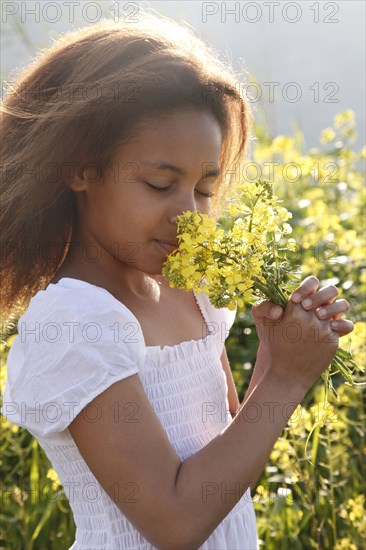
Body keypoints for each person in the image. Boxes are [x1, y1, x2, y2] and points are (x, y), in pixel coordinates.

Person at [0, 12, 354, 550]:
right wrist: (286, 383)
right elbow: (175, 522)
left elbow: (228, 466)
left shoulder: (191, 296)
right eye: (159, 183)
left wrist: (276, 358)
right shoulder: (76, 323)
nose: (188, 214)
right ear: (79, 171)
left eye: (205, 190)